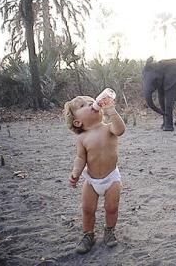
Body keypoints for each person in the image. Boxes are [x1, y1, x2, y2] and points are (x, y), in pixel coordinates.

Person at [63, 94, 126, 254]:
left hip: (111, 178)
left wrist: (111, 110)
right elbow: (80, 158)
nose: (92, 104)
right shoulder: (82, 138)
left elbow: (120, 130)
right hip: (91, 181)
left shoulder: (108, 128)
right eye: (84, 105)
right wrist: (76, 173)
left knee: (112, 208)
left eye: (92, 101)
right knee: (87, 209)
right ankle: (88, 234)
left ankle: (109, 230)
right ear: (78, 122)